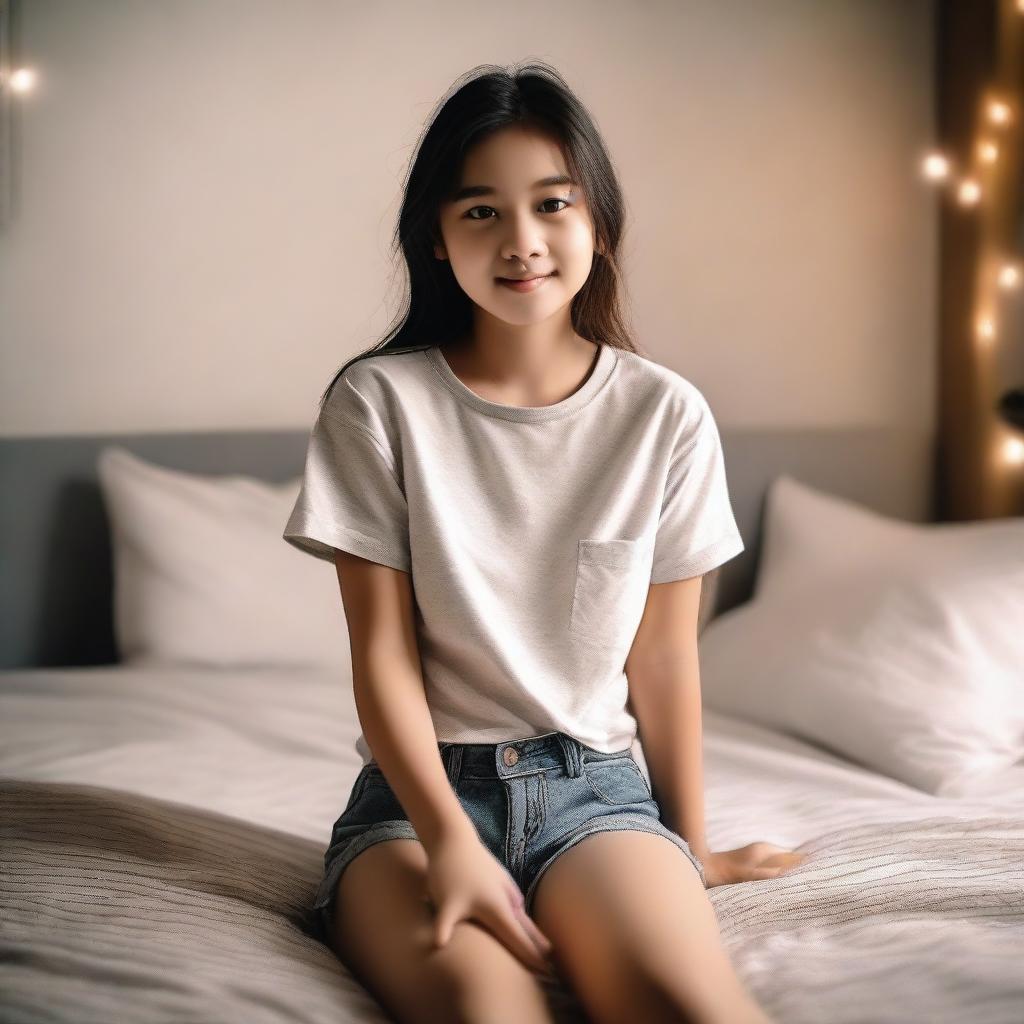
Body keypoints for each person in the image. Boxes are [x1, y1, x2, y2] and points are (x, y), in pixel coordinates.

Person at [283, 60, 803, 1024]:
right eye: (479, 211)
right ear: (436, 239)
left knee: (699, 1009)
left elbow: (663, 658)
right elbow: (383, 656)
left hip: (596, 796)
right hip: (415, 807)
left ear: (598, 223)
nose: (521, 241)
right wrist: (448, 841)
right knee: (492, 1014)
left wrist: (689, 846)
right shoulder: (378, 403)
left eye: (552, 204)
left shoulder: (665, 416)